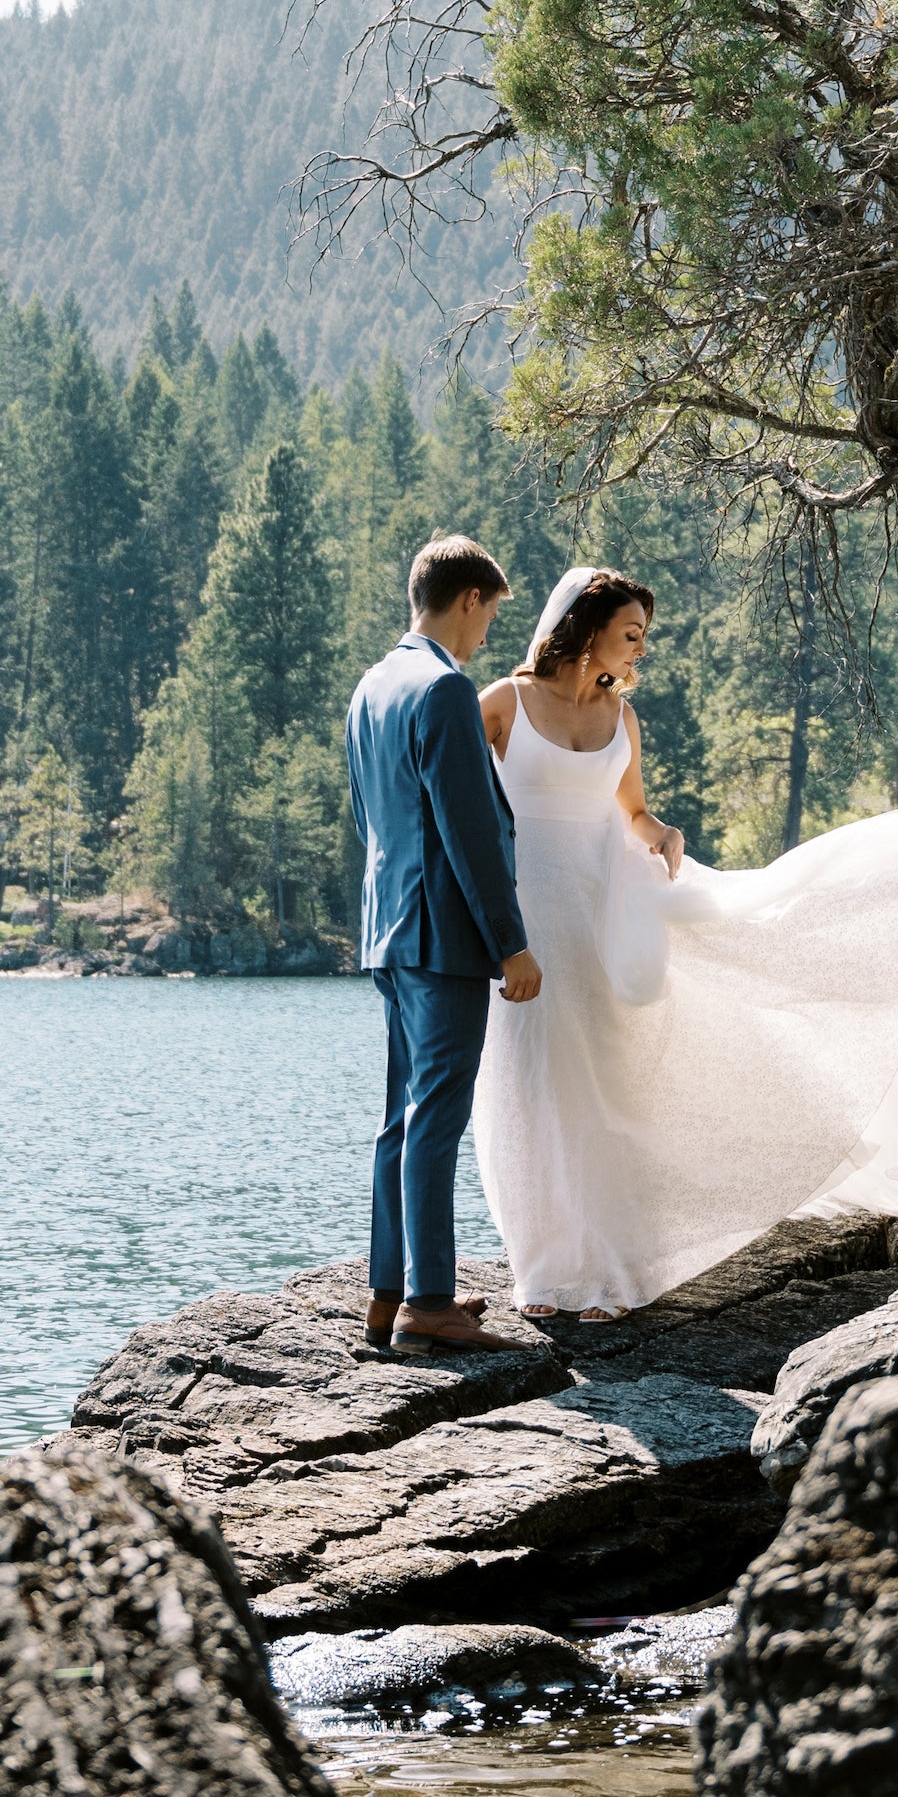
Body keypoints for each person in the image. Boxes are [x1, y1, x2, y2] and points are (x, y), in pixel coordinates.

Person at [474, 564, 898, 1319]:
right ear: (587, 632)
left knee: (610, 1095)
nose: (640, 652)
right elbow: (455, 809)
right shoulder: (503, 704)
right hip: (528, 922)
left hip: (609, 919)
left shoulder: (622, 719)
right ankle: (546, 1274)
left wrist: (660, 833)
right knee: (534, 1087)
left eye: (643, 638)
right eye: (630, 636)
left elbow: (633, 812)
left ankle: (611, 1273)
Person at [345, 534, 544, 1358]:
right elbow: (470, 833)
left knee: (402, 1116)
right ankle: (430, 1304)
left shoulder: (372, 686)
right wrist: (511, 945)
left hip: (388, 931)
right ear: (467, 599)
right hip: (445, 937)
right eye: (491, 611)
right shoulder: (444, 689)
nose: (490, 631)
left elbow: (368, 819)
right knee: (436, 1119)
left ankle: (390, 1294)